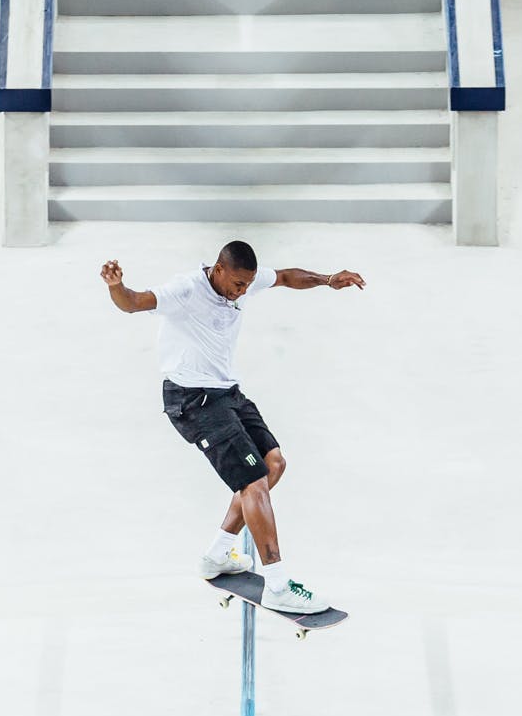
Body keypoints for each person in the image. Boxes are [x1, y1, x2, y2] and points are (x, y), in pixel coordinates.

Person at [100, 240, 365, 614]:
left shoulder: (242, 279)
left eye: (247, 286)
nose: (242, 292)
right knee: (253, 481)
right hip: (192, 400)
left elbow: (287, 277)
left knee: (273, 465)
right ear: (219, 270)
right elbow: (135, 301)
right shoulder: (186, 289)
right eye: (238, 285)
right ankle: (276, 584)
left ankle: (218, 555)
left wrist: (327, 279)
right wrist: (116, 286)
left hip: (226, 393)